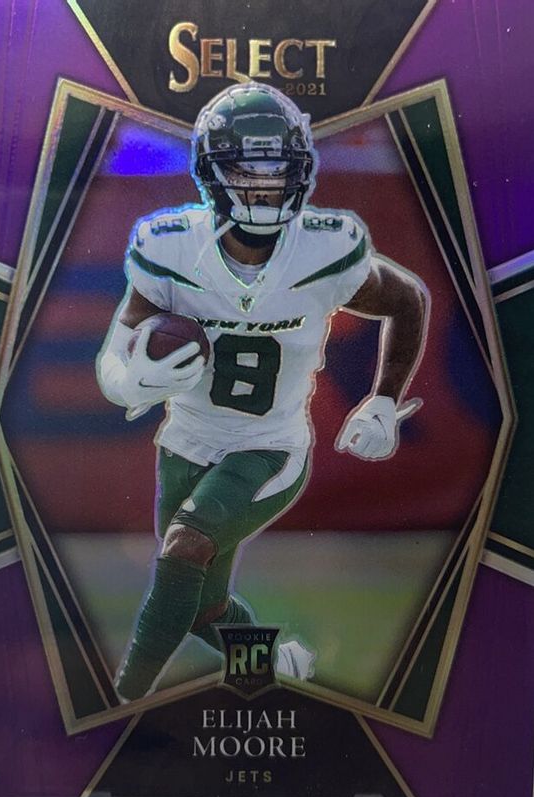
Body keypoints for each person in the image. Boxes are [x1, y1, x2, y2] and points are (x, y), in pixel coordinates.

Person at [96, 82, 429, 701]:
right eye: (246, 170)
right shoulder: (170, 247)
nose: (265, 186)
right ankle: (274, 665)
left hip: (270, 447)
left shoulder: (325, 247)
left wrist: (383, 399)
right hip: (185, 441)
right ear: (210, 173)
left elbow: (407, 299)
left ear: (300, 171)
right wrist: (127, 382)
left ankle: (123, 700)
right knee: (201, 607)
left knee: (184, 548)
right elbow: (117, 350)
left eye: (277, 169)